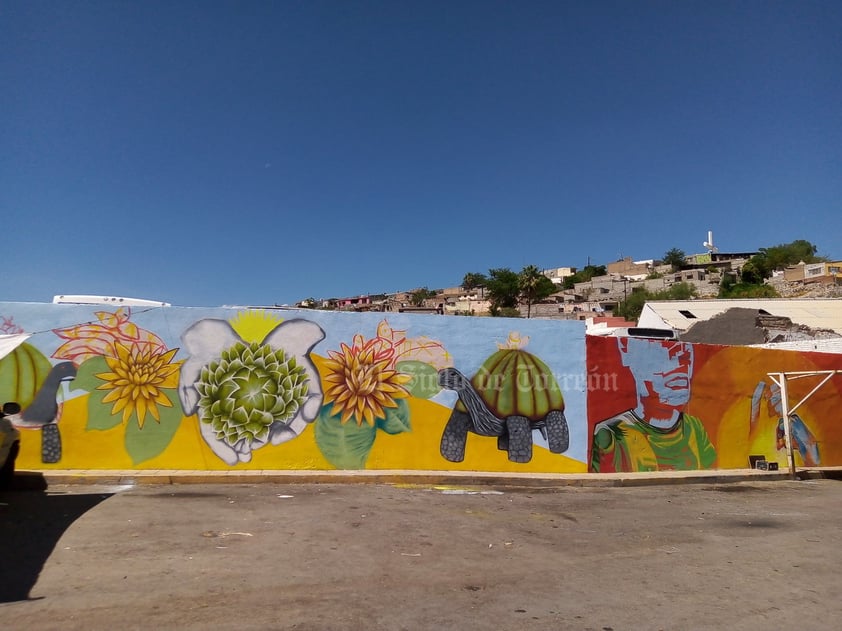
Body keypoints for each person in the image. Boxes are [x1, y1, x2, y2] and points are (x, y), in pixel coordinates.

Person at [591, 337, 715, 472]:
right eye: (663, 360)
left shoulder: (693, 427)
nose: (680, 368)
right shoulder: (612, 434)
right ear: (626, 353)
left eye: (685, 359)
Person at [750, 381, 820, 467]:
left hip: (790, 421)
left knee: (805, 445)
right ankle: (810, 462)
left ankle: (810, 462)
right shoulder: (775, 405)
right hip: (790, 421)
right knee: (808, 444)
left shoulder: (776, 393)